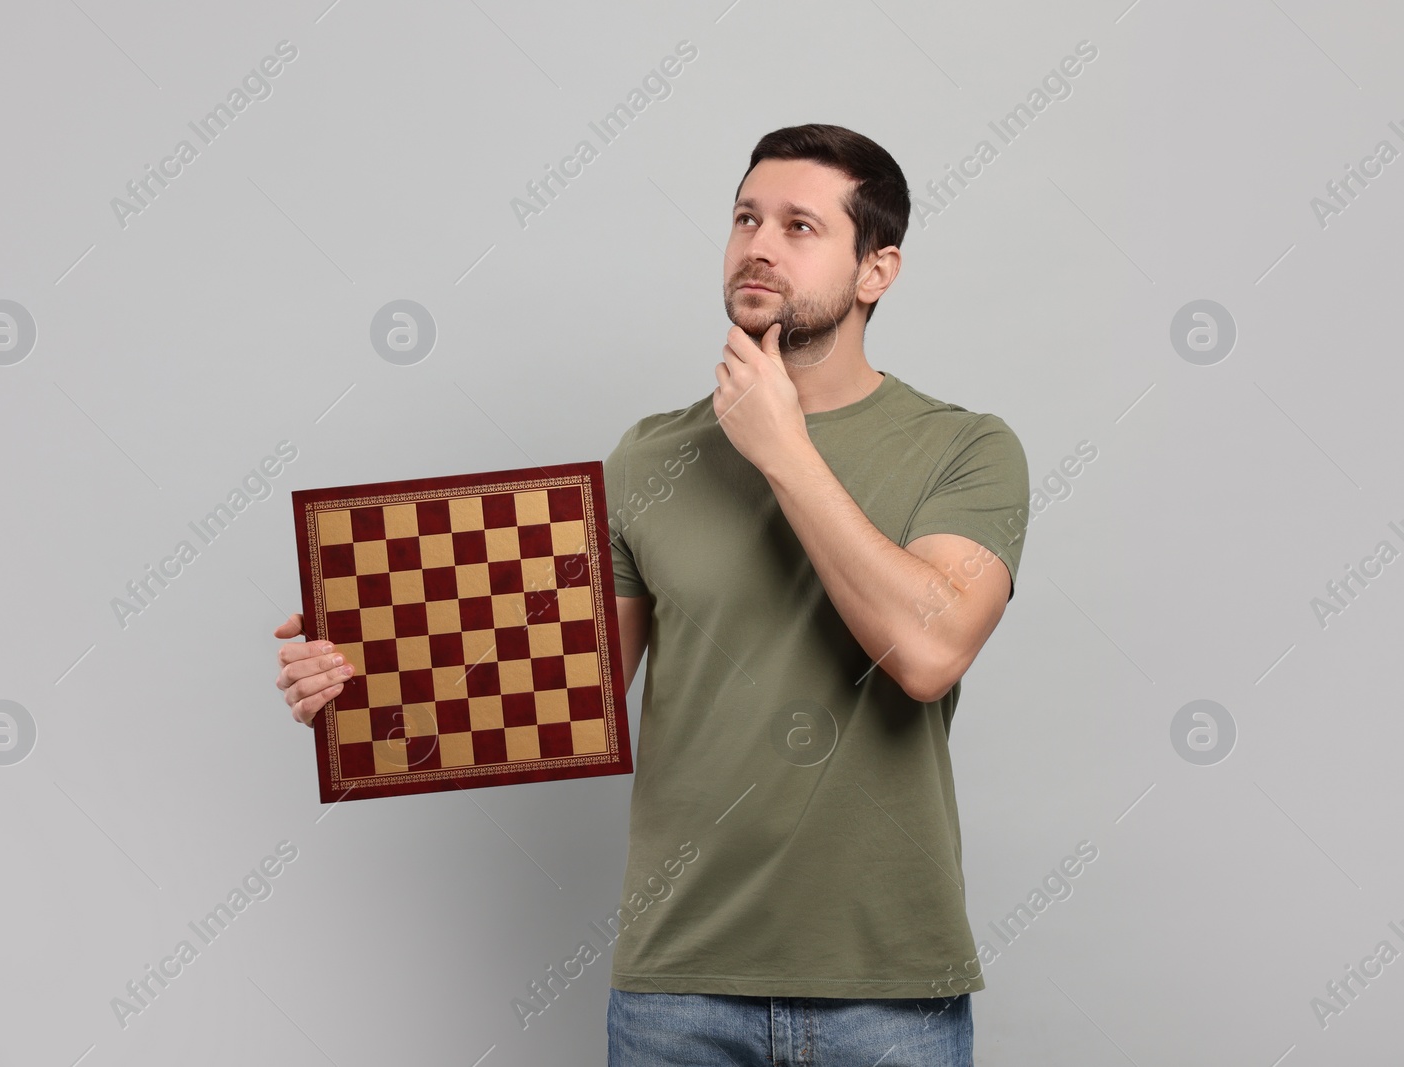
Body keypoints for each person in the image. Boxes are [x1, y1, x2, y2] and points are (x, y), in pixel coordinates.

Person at [274, 123, 1029, 1067]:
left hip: (885, 991)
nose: (758, 243)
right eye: (746, 217)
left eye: (800, 226)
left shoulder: (966, 448)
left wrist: (780, 446)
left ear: (876, 271)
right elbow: (563, 691)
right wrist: (368, 677)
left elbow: (927, 651)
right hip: (679, 990)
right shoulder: (652, 457)